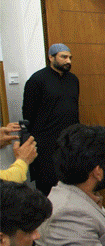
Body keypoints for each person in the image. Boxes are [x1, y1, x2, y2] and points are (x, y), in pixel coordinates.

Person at [22, 43, 80, 195]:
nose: (68, 61)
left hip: (69, 140)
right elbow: (28, 113)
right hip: (45, 142)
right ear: (51, 57)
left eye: (70, 58)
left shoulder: (73, 80)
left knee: (71, 181)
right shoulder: (37, 80)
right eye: (64, 57)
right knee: (47, 182)